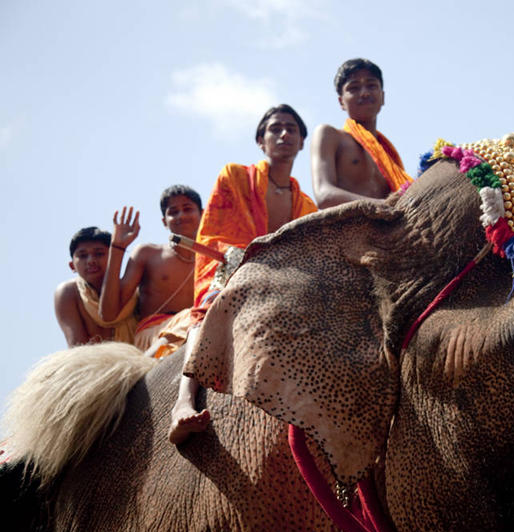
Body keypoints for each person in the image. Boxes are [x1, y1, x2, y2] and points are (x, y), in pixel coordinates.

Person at [169, 104, 318, 445]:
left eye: (291, 129)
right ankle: (182, 403)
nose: (283, 134)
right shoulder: (234, 176)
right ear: (260, 141)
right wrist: (246, 259)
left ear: (300, 142)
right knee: (205, 312)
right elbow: (214, 235)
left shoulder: (307, 205)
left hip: (283, 284)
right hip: (232, 271)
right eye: (275, 128)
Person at [98, 186, 203, 357]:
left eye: (187, 209)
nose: (181, 216)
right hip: (154, 334)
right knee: (196, 317)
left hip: (198, 326)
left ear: (203, 214)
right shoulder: (148, 254)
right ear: (164, 221)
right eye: (173, 212)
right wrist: (118, 247)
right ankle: (144, 363)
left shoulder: (215, 257)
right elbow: (108, 314)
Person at [310, 58, 413, 209]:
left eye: (371, 86)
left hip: (385, 229)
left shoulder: (388, 154)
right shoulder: (329, 135)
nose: (364, 93)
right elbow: (324, 195)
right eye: (354, 88)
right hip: (345, 229)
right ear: (341, 102)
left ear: (382, 97)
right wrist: (385, 206)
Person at [55, 227, 137, 346]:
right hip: (96, 362)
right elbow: (77, 347)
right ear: (72, 266)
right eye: (82, 256)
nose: (90, 261)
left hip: (141, 356)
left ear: (113, 258)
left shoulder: (133, 288)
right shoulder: (69, 292)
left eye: (99, 254)